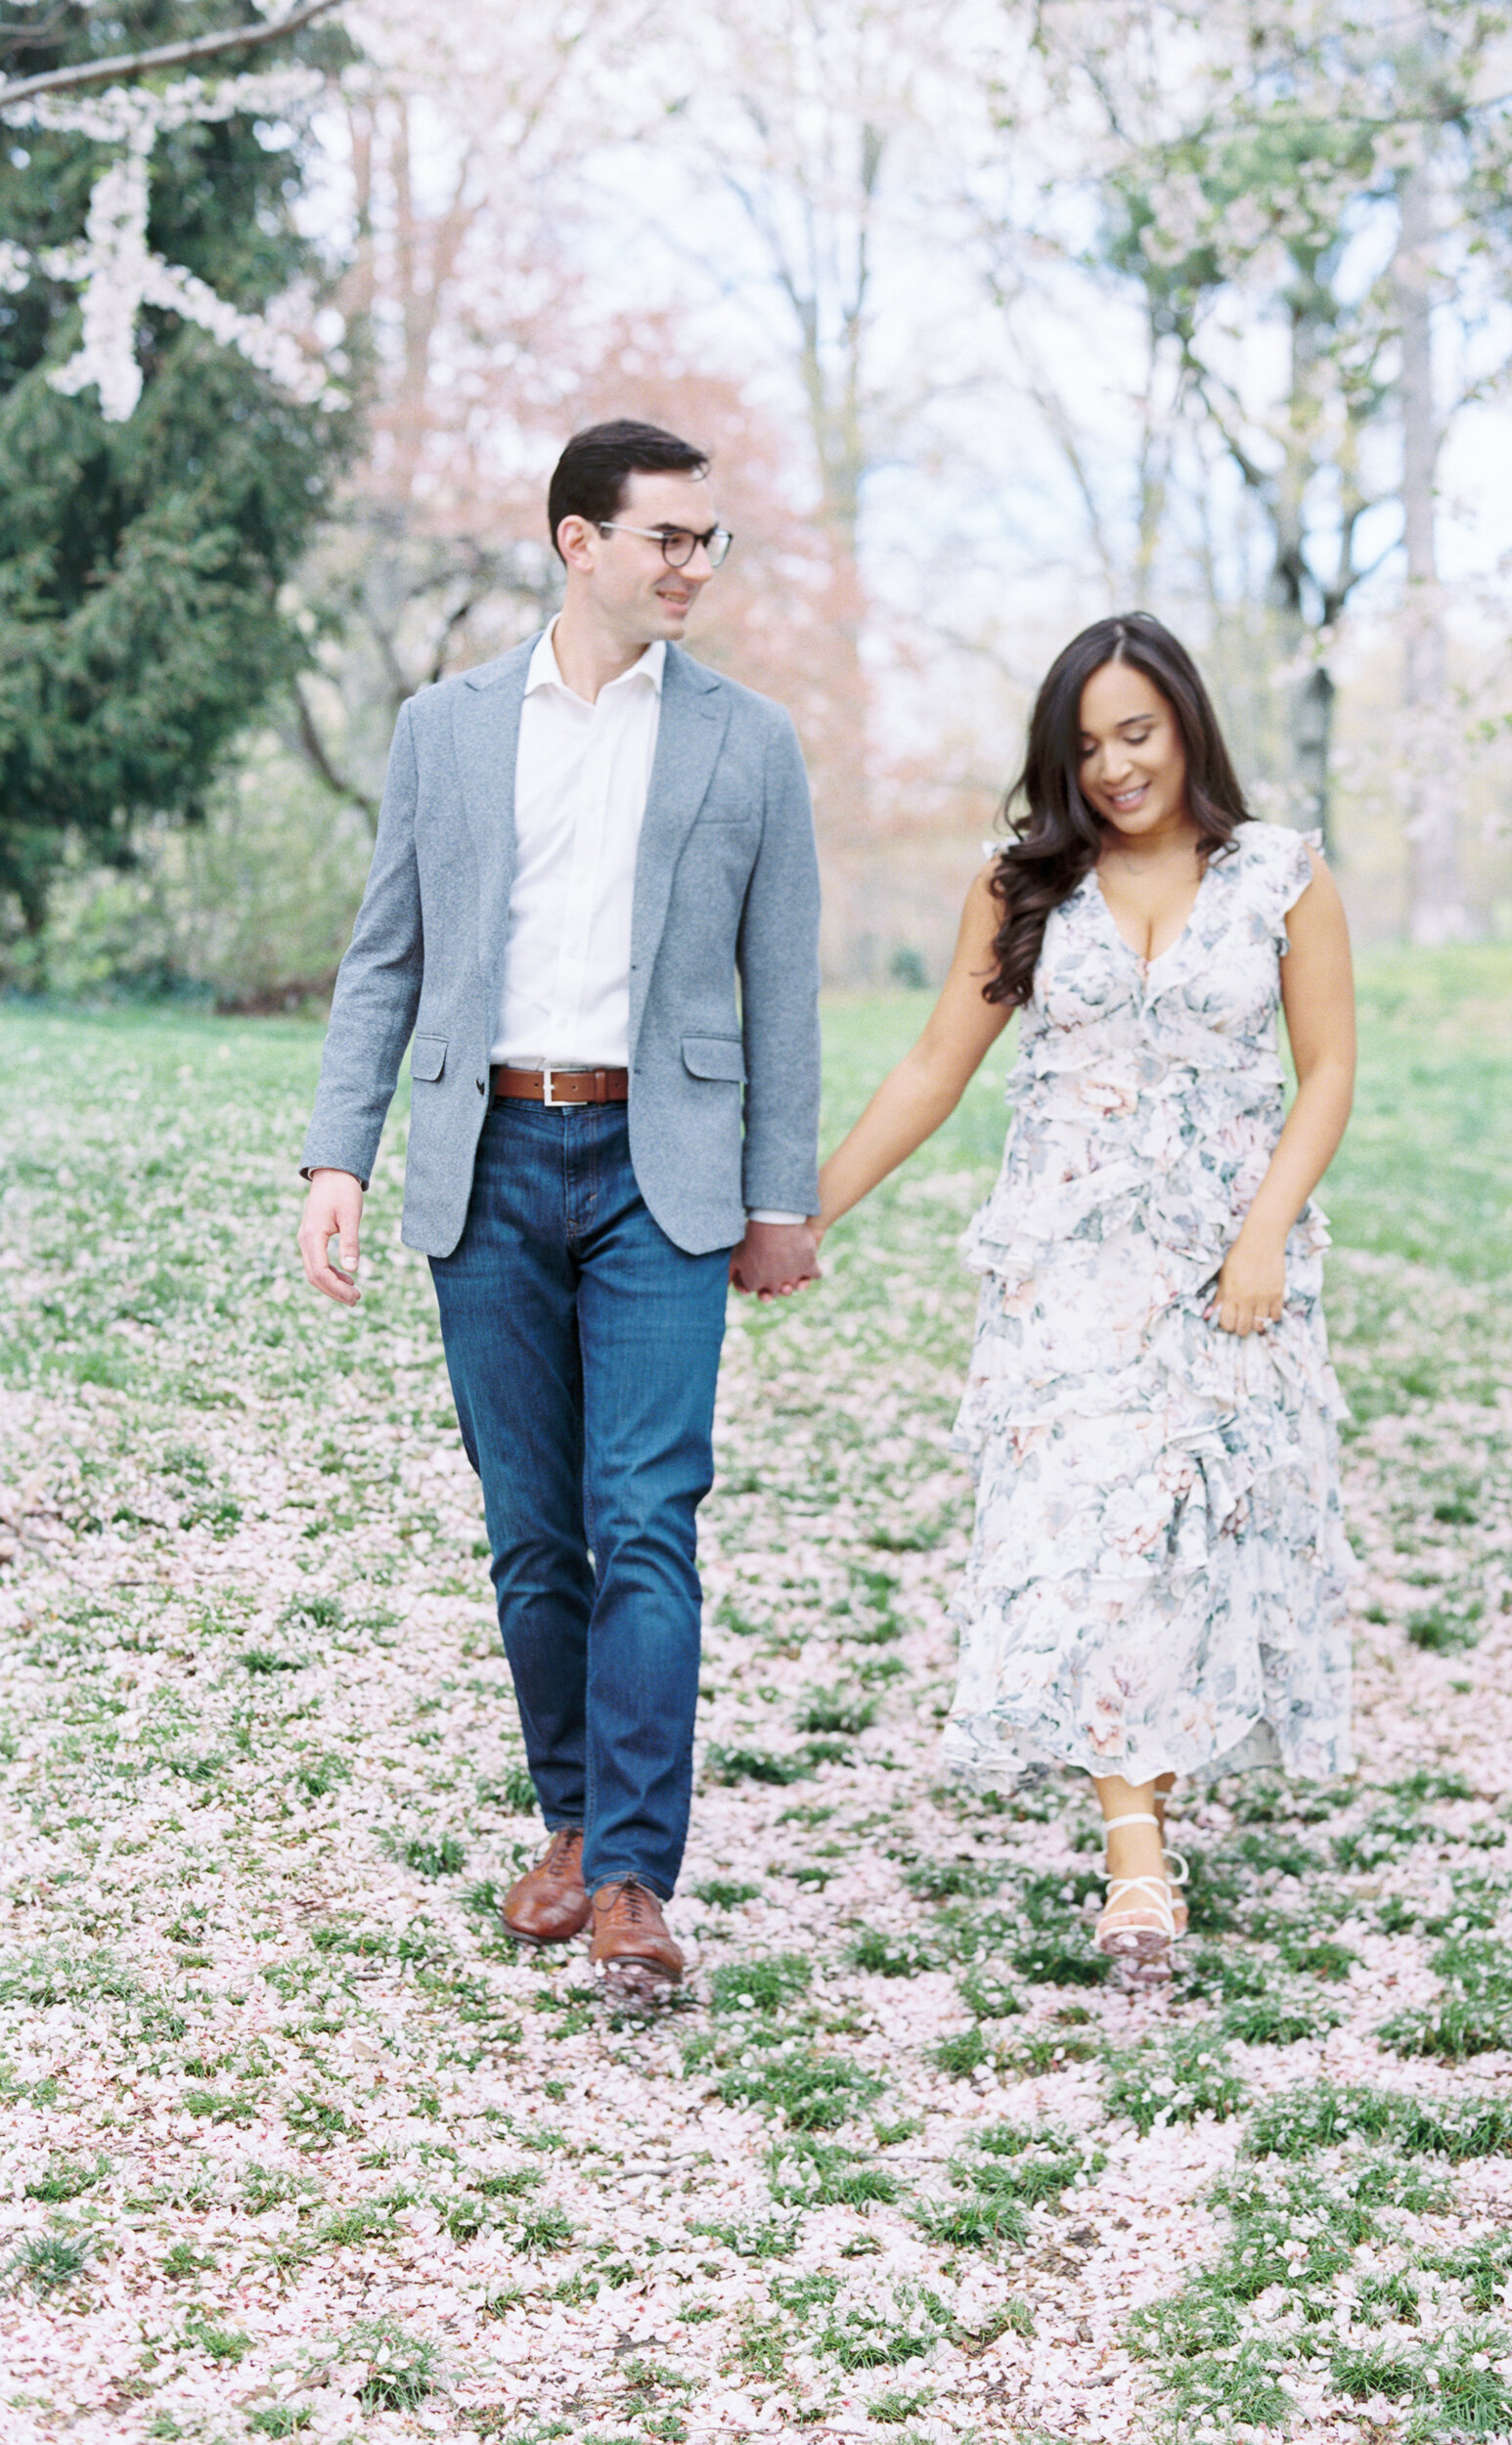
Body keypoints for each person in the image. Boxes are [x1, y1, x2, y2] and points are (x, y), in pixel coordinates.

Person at [296, 419, 823, 2008]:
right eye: (667, 536)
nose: (693, 565)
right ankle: (576, 1821)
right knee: (535, 1537)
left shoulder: (749, 742)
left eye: (707, 539)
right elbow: (387, 955)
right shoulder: (444, 731)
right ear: (575, 542)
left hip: (663, 1174)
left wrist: (777, 1198)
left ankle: (636, 1885)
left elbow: (780, 987)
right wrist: (340, 1156)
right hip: (489, 1162)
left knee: (647, 1520)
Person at [813, 612, 1356, 1976]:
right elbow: (939, 1063)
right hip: (1068, 1273)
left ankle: (1145, 1824)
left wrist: (1266, 1235)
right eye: (1088, 745)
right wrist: (806, 1215)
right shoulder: (1023, 889)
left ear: (1185, 729)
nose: (1115, 767)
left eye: (1138, 734)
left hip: (1232, 1270)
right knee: (1093, 1537)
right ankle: (1134, 1862)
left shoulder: (1283, 876)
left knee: (1189, 1547)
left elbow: (1331, 1071)